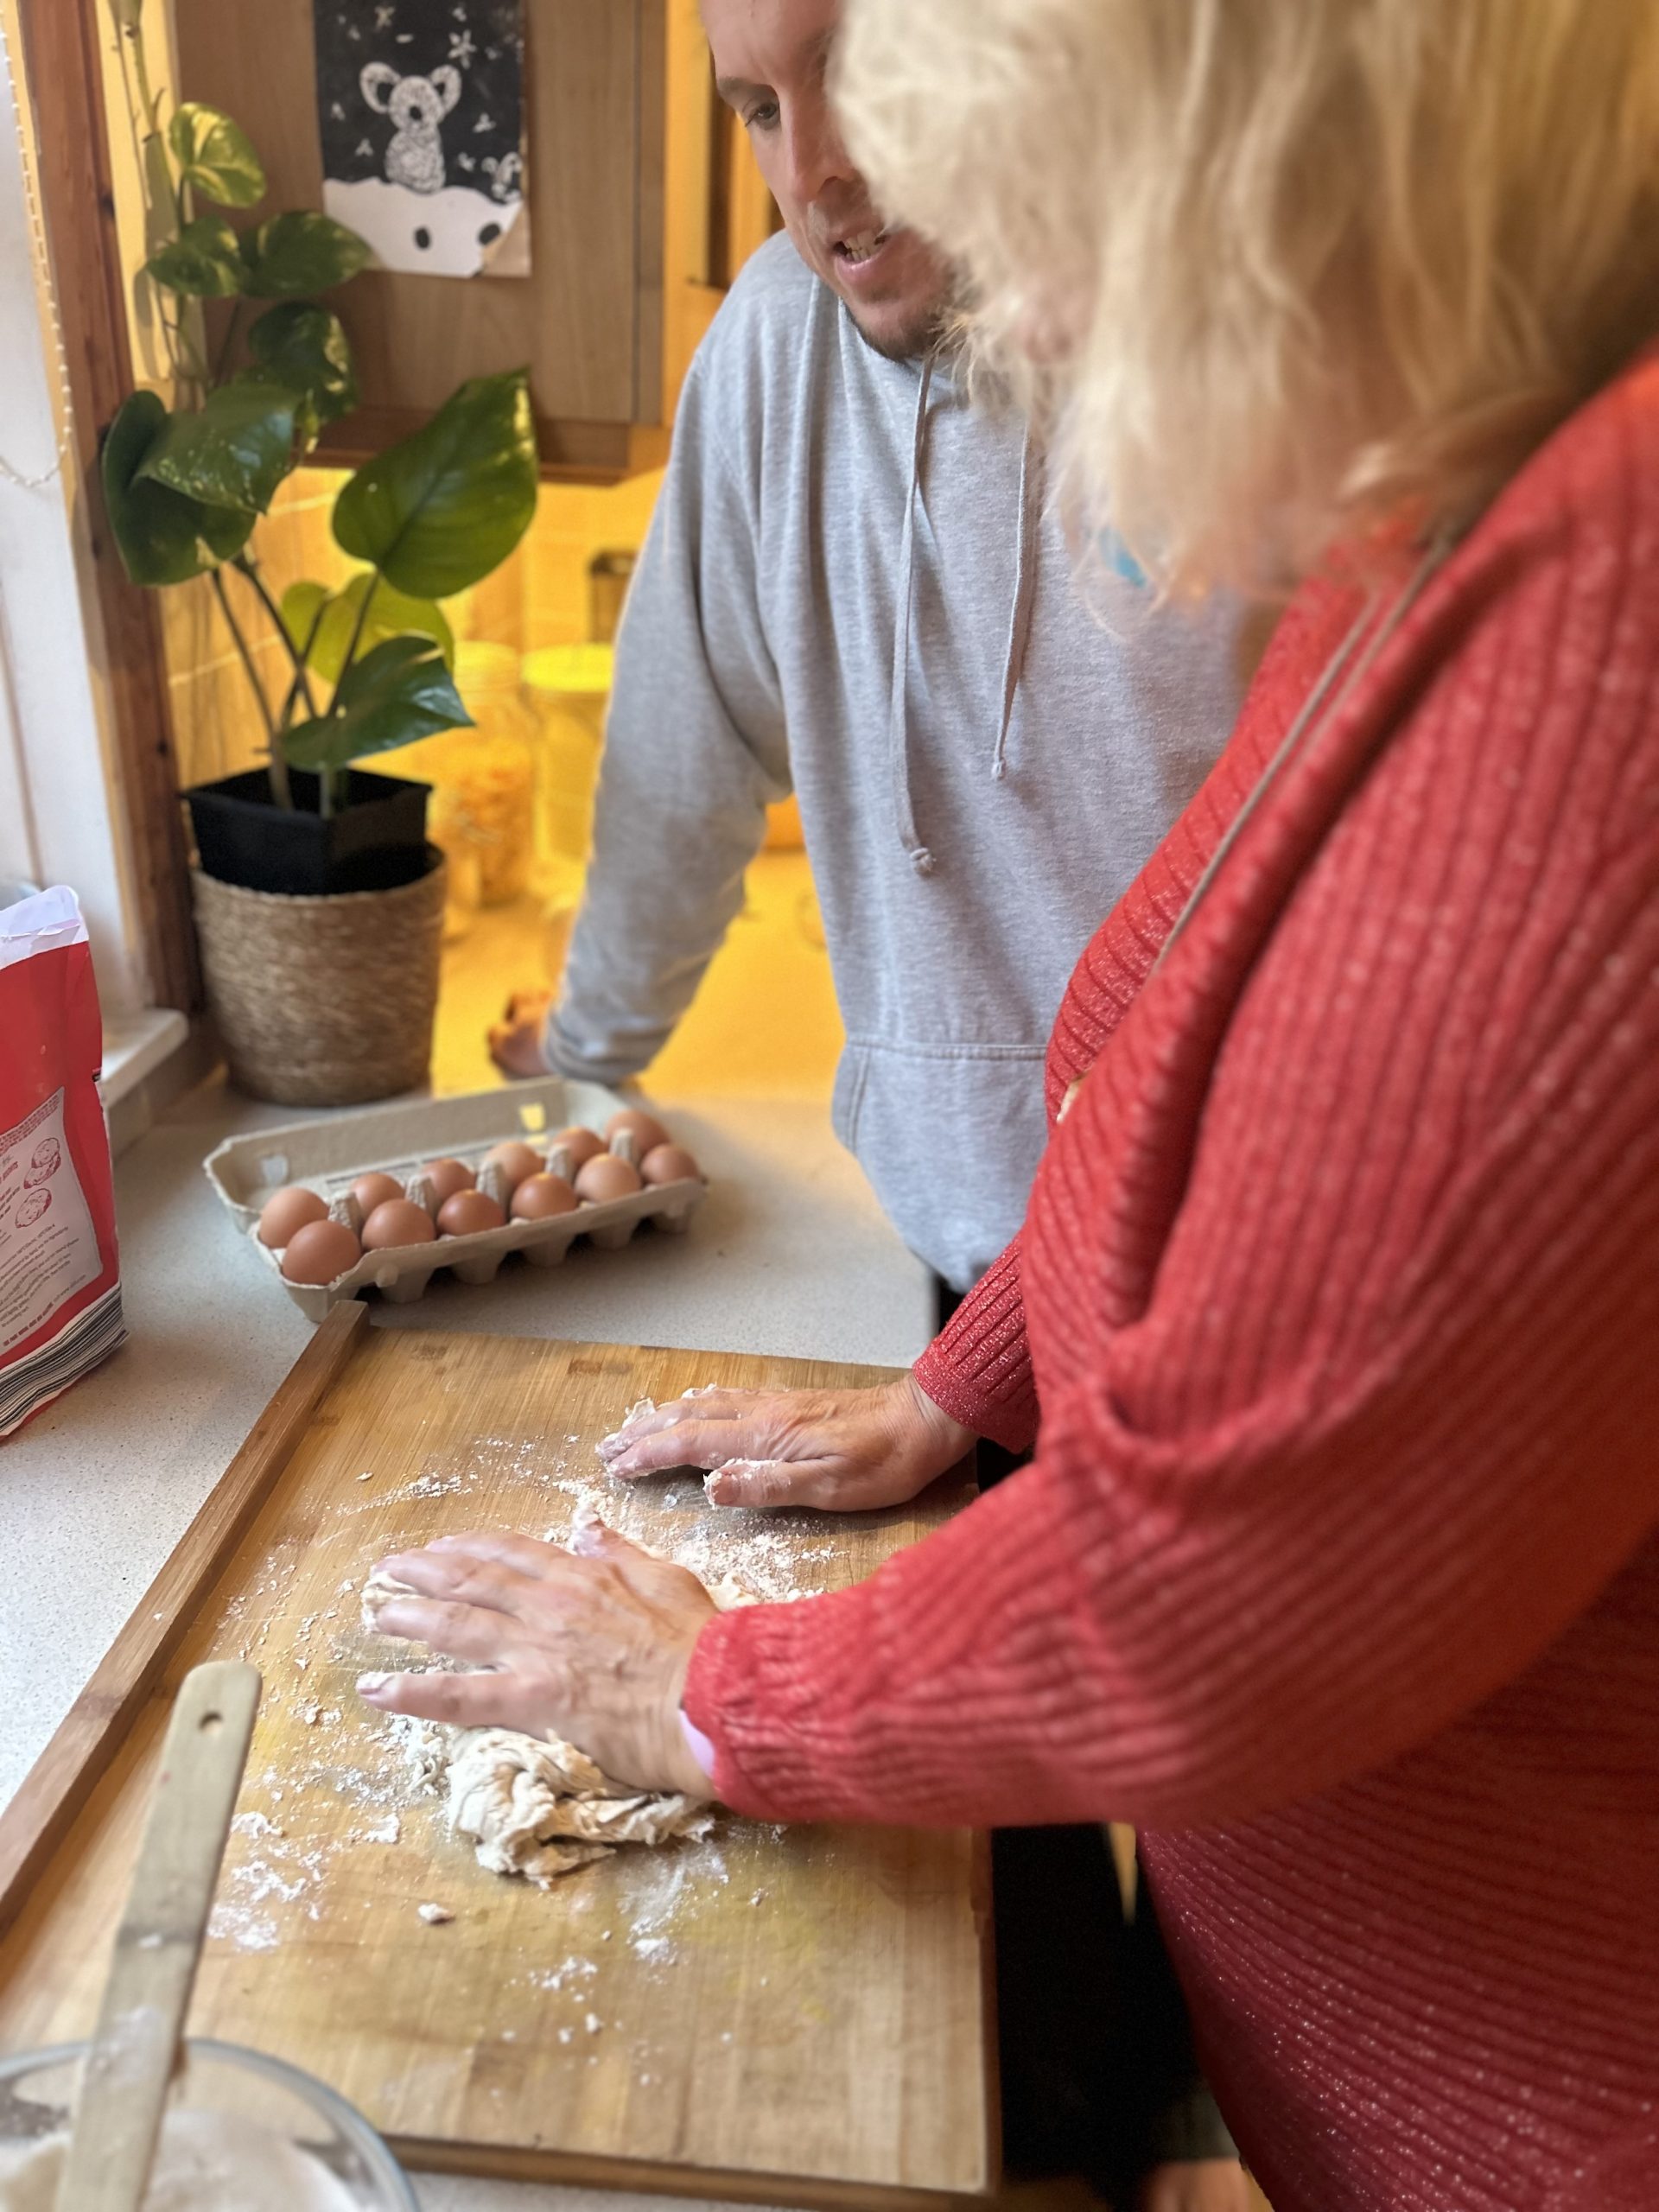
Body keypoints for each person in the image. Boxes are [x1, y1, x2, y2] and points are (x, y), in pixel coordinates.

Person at [363, 2, 1659, 2206]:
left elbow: (1225, 1589)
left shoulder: (1608, 661)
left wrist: (715, 1700)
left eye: (1047, 212)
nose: (1022, 315)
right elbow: (1162, 1025)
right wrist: (968, 1386)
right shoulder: (1449, 504)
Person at [489, 0, 1245, 1296]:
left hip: (1250, 1277)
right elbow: (688, 752)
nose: (810, 170)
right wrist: (588, 1040)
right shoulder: (772, 345)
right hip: (968, 1282)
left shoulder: (1252, 347)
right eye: (760, 109)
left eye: (857, 70)